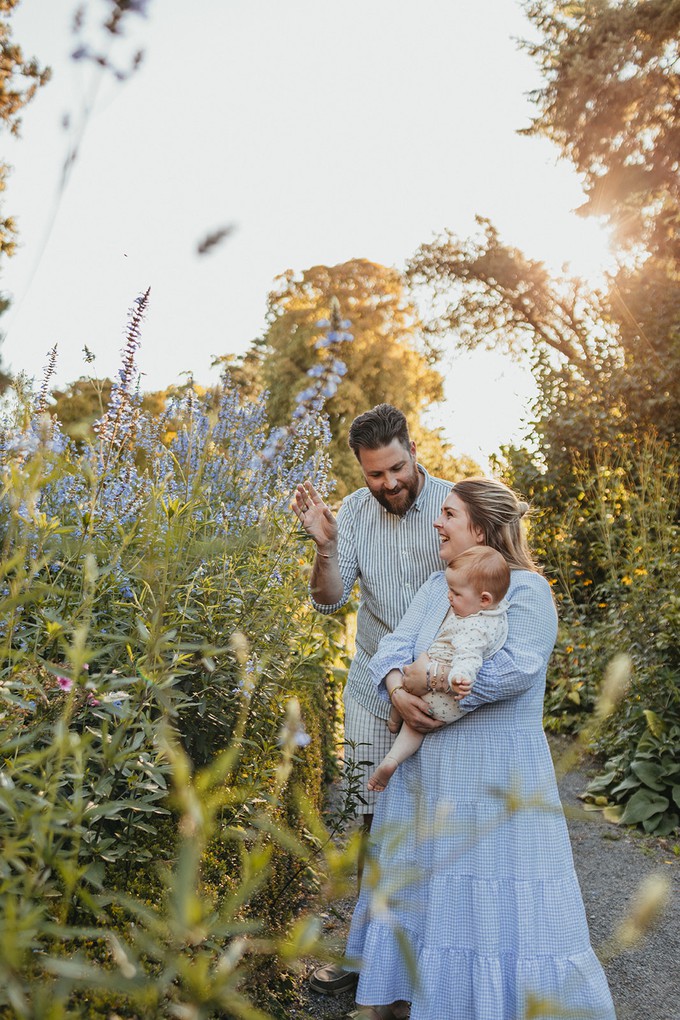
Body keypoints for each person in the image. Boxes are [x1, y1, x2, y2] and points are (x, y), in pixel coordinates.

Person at [345, 478, 617, 1020]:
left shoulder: (528, 589)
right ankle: (409, 997)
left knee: (495, 887)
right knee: (428, 885)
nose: (437, 522)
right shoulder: (434, 585)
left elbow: (515, 668)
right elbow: (392, 648)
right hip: (429, 777)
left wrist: (425, 686)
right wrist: (400, 690)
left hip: (496, 775)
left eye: (448, 514)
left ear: (482, 528)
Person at [291, 404, 452, 997]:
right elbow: (330, 601)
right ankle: (365, 959)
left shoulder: (456, 507)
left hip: (442, 690)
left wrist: (425, 688)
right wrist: (326, 546)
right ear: (360, 470)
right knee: (371, 821)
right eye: (374, 475)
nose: (388, 484)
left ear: (413, 449)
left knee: (438, 822)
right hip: (369, 687)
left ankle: (431, 959)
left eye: (396, 469)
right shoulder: (354, 514)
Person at [368, 545, 510, 792]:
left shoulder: (477, 628)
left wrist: (455, 677)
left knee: (413, 723)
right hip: (433, 682)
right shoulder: (487, 608)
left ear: (484, 599)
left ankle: (392, 754)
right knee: (409, 689)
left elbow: (469, 657)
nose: (449, 597)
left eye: (455, 593)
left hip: (444, 697)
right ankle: (393, 739)